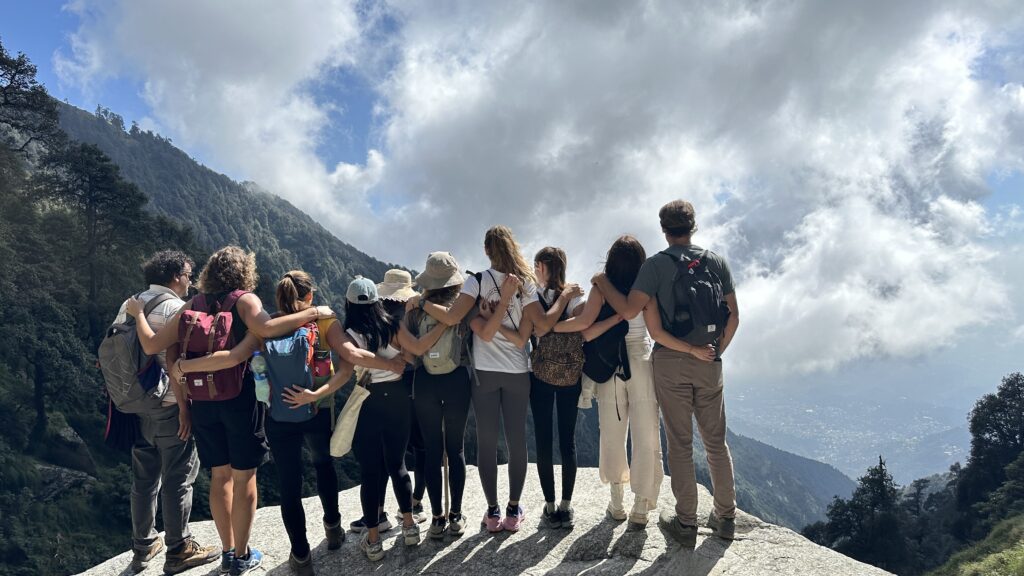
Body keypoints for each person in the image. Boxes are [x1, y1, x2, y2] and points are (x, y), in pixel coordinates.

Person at [127, 246, 333, 576]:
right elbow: (267, 330)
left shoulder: (191, 306)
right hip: (239, 401)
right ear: (244, 271)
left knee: (219, 477)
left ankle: (226, 552)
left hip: (201, 403)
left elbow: (155, 348)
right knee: (244, 477)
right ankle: (242, 554)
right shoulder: (245, 300)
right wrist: (315, 312)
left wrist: (138, 314)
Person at [175, 270, 354, 576]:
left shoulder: (265, 328)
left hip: (278, 416)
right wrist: (316, 394)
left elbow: (238, 356)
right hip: (316, 410)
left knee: (289, 485)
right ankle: (333, 527)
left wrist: (183, 367)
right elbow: (347, 363)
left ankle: (300, 555)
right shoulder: (324, 322)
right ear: (309, 296)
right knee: (323, 466)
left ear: (278, 298)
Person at [592, 202, 739, 547]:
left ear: (664, 228)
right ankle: (726, 516)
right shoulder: (716, 262)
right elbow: (734, 316)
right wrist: (714, 351)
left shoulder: (656, 265)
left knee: (680, 443)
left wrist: (600, 280)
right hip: (710, 361)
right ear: (693, 226)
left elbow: (631, 312)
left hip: (670, 362)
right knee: (716, 442)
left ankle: (686, 523)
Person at [410, 225, 539, 533]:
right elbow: (531, 331)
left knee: (486, 441)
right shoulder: (528, 284)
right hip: (519, 372)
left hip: (484, 372)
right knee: (517, 441)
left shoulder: (476, 281)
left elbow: (454, 317)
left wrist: (422, 303)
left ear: (485, 250)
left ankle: (492, 512)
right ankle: (513, 510)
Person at [112, 251, 219, 574]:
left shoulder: (129, 304)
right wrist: (186, 408)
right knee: (178, 477)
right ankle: (179, 547)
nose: (190, 280)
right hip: (169, 406)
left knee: (144, 478)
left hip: (135, 405)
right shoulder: (174, 308)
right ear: (175, 276)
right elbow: (177, 364)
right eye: (188, 274)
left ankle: (144, 543)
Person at [557, 236, 663, 529]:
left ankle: (617, 503)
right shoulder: (647, 288)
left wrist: (549, 325)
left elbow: (585, 327)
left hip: (610, 365)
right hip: (642, 363)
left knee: (612, 434)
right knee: (646, 435)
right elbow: (654, 331)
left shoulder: (601, 287)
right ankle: (641, 507)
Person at [343, 277, 448, 561]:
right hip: (399, 399)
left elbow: (349, 359)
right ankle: (410, 527)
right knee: (398, 465)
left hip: (369, 400)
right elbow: (415, 353)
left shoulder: (350, 332)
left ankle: (374, 541)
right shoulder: (392, 324)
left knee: (370, 472)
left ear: (349, 304)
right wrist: (442, 326)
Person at [404, 252, 473, 538]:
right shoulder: (462, 307)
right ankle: (456, 515)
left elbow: (411, 353)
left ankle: (435, 518)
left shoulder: (414, 308)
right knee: (455, 450)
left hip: (425, 383)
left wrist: (420, 303)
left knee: (432, 451)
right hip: (457, 380)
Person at [528, 247, 586, 529]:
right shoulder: (575, 296)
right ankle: (566, 506)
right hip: (570, 378)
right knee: (568, 441)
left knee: (543, 440)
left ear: (541, 266)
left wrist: (547, 327)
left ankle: (549, 506)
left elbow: (537, 330)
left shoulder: (533, 297)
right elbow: (584, 327)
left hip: (540, 376)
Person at [377, 270, 429, 526]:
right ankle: (416, 502)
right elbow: (416, 354)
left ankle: (377, 511)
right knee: (420, 446)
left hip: (384, 388)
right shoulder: (413, 316)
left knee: (387, 451)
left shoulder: (376, 316)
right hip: (414, 383)